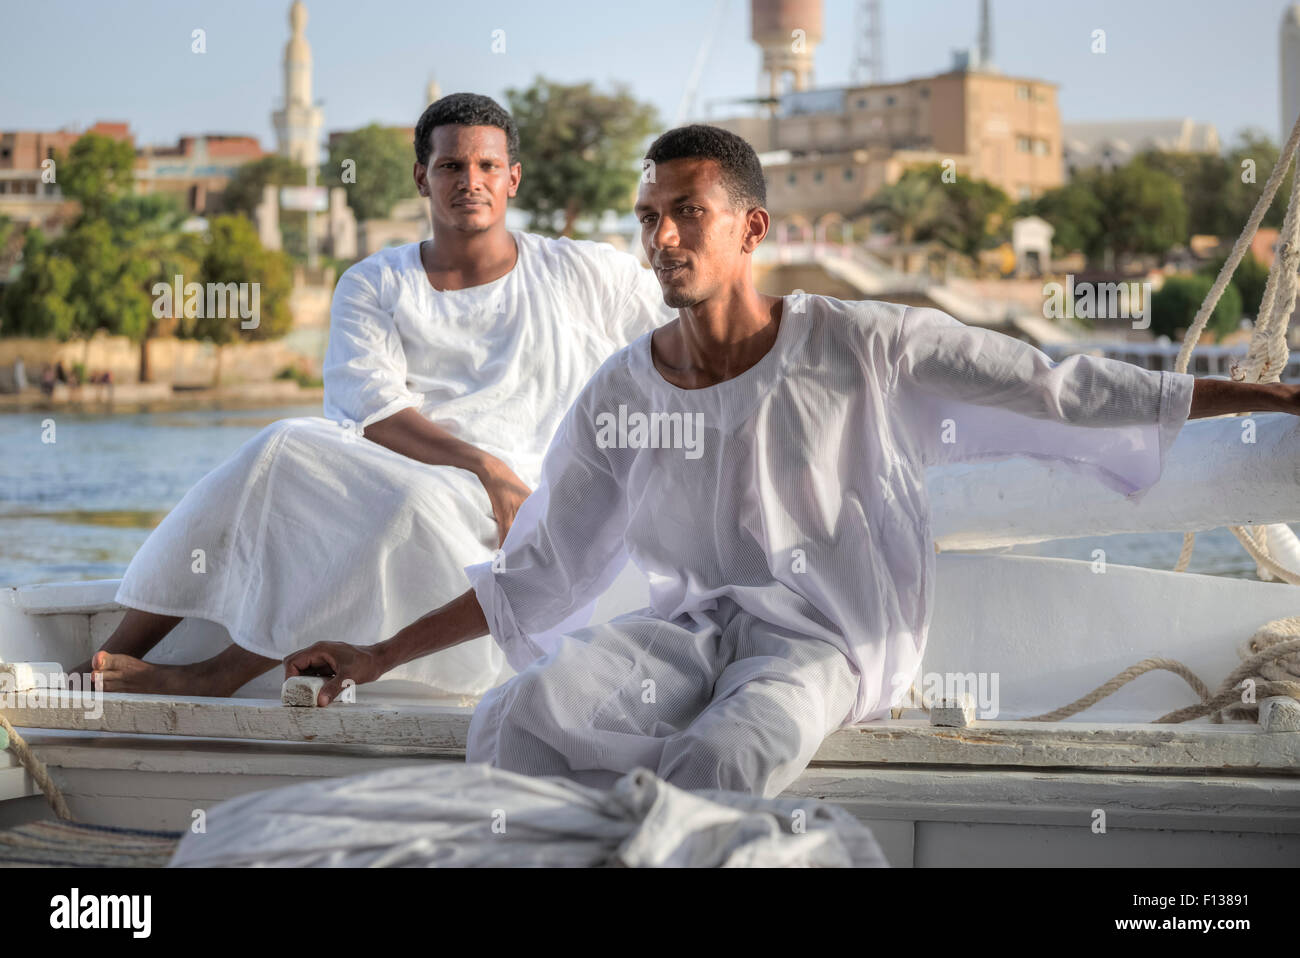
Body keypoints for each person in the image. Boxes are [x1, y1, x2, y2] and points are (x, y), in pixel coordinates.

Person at [285, 124, 1300, 799]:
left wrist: (1255, 394)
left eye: (688, 213)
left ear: (749, 228)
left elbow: (1055, 388)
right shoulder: (619, 391)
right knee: (515, 715)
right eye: (649, 220)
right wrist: (375, 656)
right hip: (691, 629)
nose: (664, 238)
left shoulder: (862, 343)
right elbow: (539, 569)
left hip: (828, 643)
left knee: (728, 754)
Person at [83, 93, 677, 697]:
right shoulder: (376, 282)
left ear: (513, 179)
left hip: (529, 496)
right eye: (451, 166)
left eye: (487, 167)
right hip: (418, 467)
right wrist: (483, 466)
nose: (470, 181)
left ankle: (215, 675)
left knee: (405, 509)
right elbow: (371, 409)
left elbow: (684, 339)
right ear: (423, 177)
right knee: (279, 446)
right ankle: (105, 657)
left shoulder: (584, 273)